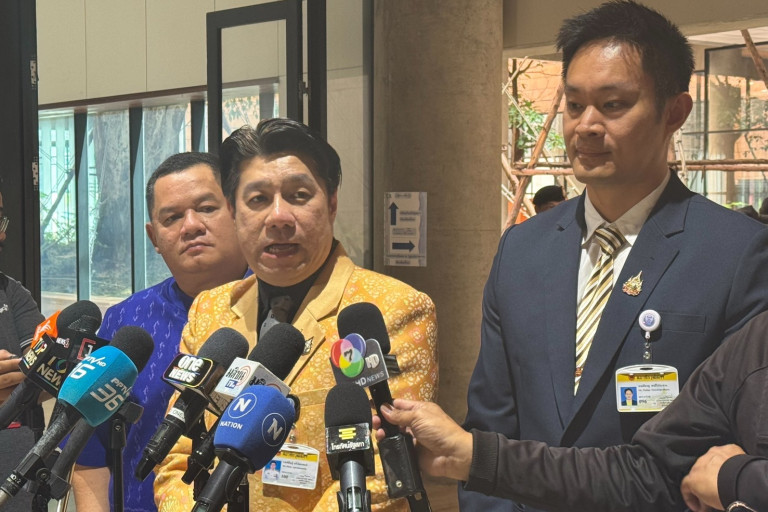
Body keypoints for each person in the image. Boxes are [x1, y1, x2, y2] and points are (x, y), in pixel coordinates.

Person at [461, 2, 768, 511]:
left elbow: (727, 444)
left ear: (675, 112)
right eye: (574, 104)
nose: (586, 125)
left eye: (614, 104)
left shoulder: (737, 253)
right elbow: (490, 425)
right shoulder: (522, 249)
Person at [153, 118, 438, 511]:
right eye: (257, 199)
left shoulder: (393, 308)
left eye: (299, 196)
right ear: (233, 212)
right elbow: (177, 451)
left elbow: (387, 469)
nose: (278, 217)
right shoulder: (210, 310)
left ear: (332, 203)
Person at [376, 306, 768, 512]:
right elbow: (646, 473)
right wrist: (470, 456)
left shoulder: (741, 249)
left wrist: (739, 480)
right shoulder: (756, 346)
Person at [70, 152, 248, 512]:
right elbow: (88, 452)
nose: (191, 225)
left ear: (237, 211)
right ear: (154, 236)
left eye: (207, 208)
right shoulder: (126, 321)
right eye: (172, 217)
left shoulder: (280, 312)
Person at [0, 187, 47, 512]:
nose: (2, 235)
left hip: (20, 483)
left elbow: (49, 372)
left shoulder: (12, 294)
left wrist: (31, 379)